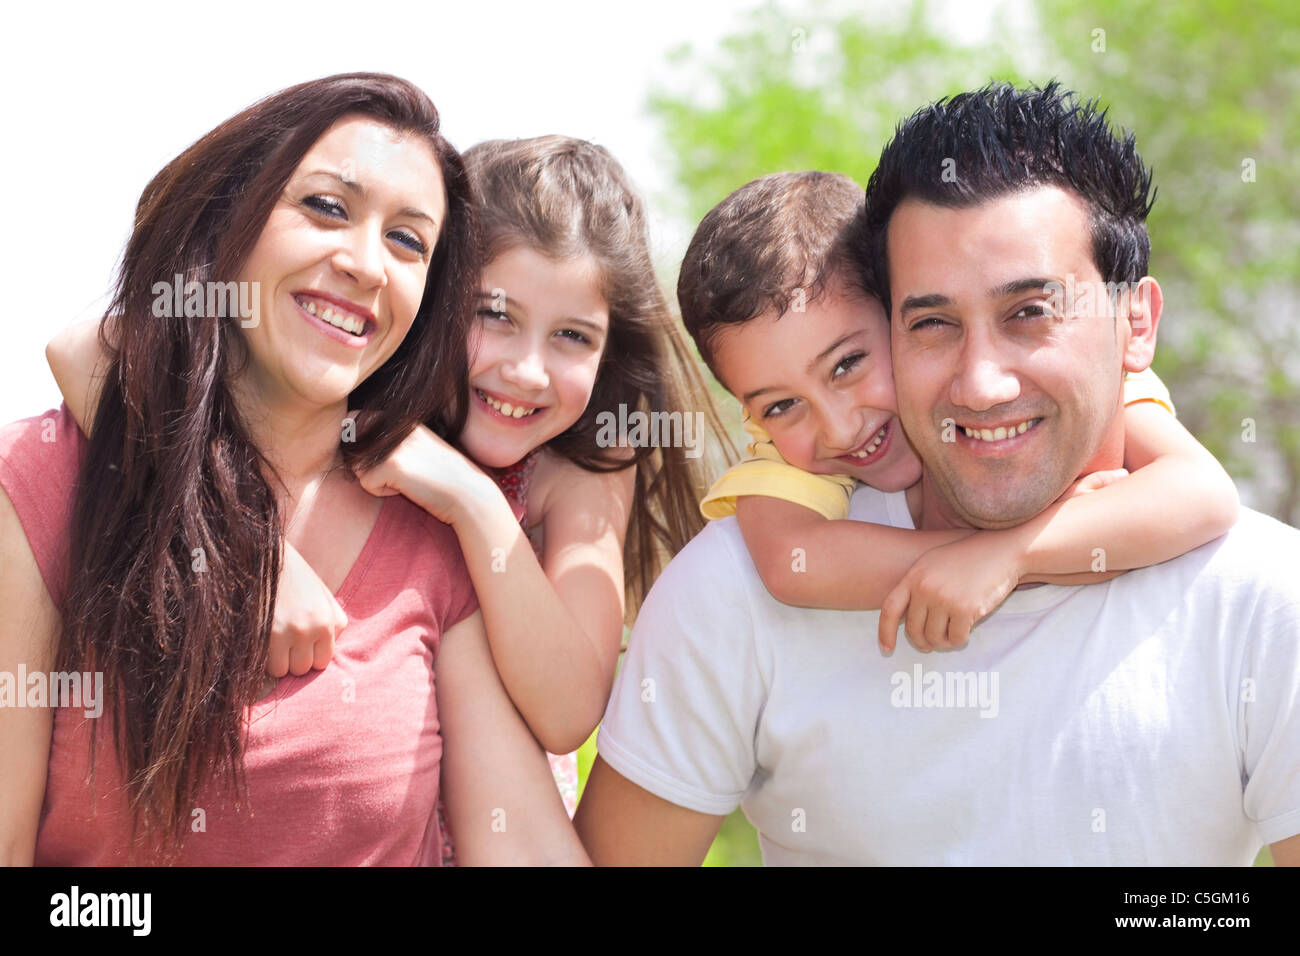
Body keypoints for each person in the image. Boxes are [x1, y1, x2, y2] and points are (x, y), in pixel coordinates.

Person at [574, 83, 1300, 865]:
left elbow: (1204, 492)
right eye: (933, 324)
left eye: (1030, 312)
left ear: (1136, 325)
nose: (981, 383)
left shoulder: (1264, 601)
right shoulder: (734, 587)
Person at [46, 136, 731, 858]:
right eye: (494, 315)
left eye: (572, 336)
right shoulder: (352, 396)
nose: (526, 370)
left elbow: (565, 711)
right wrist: (253, 548)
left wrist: (474, 501)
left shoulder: (580, 466)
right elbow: (84, 346)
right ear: (434, 297)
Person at [0, 73, 586, 866]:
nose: (366, 263)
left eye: (408, 241)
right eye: (327, 207)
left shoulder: (437, 527)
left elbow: (524, 847)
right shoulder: (38, 484)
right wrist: (236, 536)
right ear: (226, 223)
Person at [682, 170, 1238, 652]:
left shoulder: (1097, 378)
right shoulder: (774, 455)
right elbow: (792, 564)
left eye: (848, 364)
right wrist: (1003, 559)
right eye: (780, 405)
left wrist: (1013, 555)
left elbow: (1203, 494)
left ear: (907, 319)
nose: (839, 426)